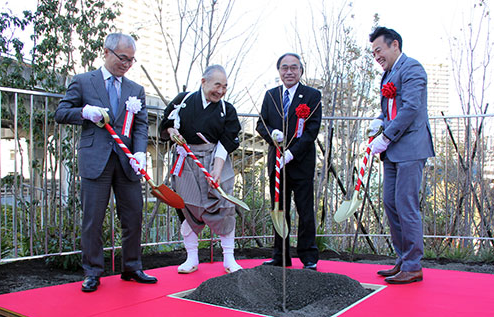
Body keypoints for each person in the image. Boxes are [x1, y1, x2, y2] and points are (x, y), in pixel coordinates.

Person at [55, 33, 157, 292]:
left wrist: (140, 153)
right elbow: (61, 112)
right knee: (93, 218)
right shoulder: (82, 82)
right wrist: (84, 113)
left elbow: (141, 126)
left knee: (133, 215)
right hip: (95, 160)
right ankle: (92, 271)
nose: (126, 64)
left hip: (127, 162)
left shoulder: (136, 90)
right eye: (123, 58)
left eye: (131, 60)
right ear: (106, 52)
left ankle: (132, 266)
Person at [159, 65, 242, 274]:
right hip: (186, 159)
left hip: (216, 158)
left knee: (224, 204)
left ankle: (229, 259)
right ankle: (192, 257)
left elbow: (227, 140)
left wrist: (216, 168)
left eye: (224, 87)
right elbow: (165, 123)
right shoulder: (183, 100)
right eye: (217, 85)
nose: (221, 91)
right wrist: (172, 131)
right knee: (187, 205)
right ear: (203, 81)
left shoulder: (227, 110)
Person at [368, 27, 435, 284]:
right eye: (373, 52)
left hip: (410, 147)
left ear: (394, 45)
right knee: (390, 203)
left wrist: (386, 136)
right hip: (393, 150)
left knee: (406, 205)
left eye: (379, 50)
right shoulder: (386, 75)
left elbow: (410, 108)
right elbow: (390, 110)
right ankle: (402, 259)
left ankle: (413, 264)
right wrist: (378, 122)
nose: (377, 56)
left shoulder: (412, 68)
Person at [256, 53, 322, 270]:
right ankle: (280, 255)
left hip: (301, 161)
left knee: (305, 210)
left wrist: (292, 152)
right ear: (279, 71)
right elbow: (261, 124)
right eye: (284, 68)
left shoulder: (312, 96)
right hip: (276, 163)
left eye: (294, 67)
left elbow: (311, 131)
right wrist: (272, 134)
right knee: (279, 208)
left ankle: (309, 256)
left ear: (301, 70)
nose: (289, 72)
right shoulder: (271, 95)